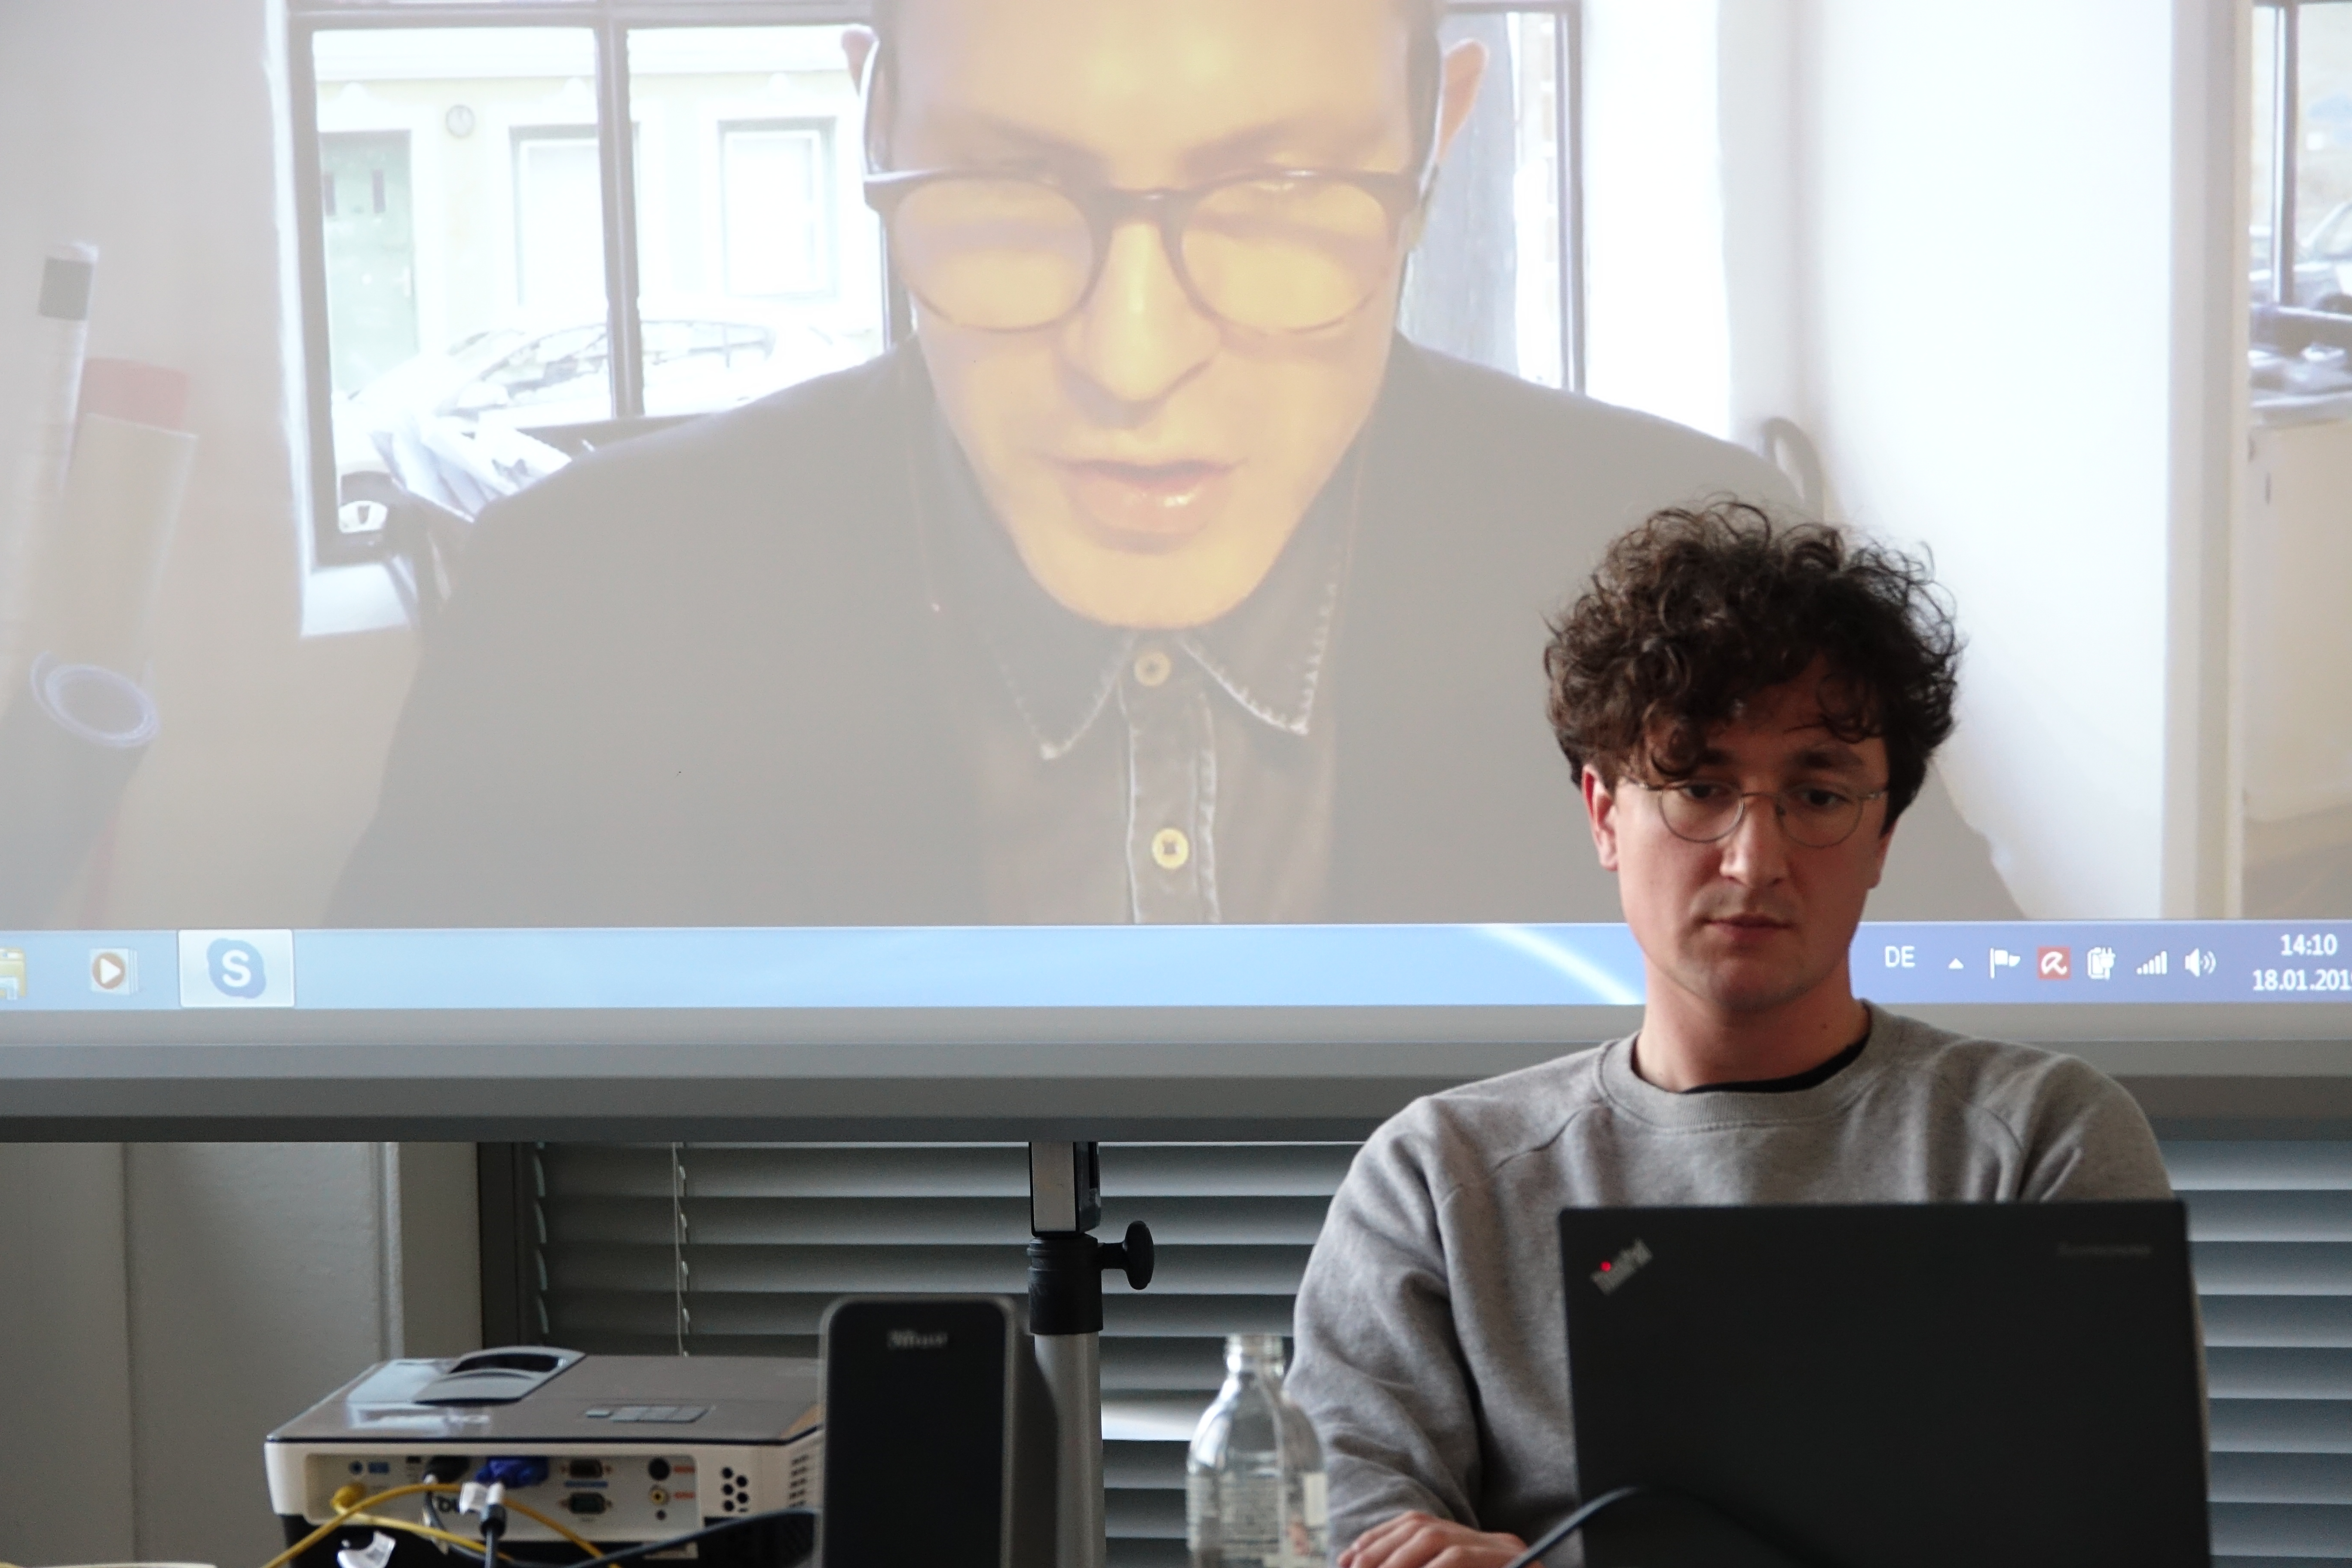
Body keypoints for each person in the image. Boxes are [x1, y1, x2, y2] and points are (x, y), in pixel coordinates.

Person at [329, 0, 2018, 928]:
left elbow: (1963, 1145)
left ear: (1437, 136)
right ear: (872, 120)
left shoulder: (1704, 569)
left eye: (1280, 193)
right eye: (1008, 187)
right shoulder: (582, 606)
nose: (1131, 360)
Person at [1285, 506, 2176, 1568]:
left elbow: (2108, 1535)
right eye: (1700, 789)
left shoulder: (2040, 1140)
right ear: (1604, 816)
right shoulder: (1439, 1179)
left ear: (1884, 836)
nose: (1755, 860)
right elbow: (1356, 1537)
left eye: (1818, 795)